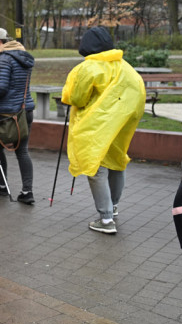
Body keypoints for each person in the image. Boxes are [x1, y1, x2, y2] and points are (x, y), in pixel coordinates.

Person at [60, 26, 144, 234]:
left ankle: (106, 220)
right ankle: (113, 207)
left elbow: (77, 98)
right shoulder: (124, 66)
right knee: (116, 161)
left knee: (95, 167)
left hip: (97, 123)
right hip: (123, 122)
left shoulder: (88, 67)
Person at [0, 26, 36, 204]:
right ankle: (27, 191)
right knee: (23, 151)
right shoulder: (23, 56)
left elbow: (1, 89)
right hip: (25, 110)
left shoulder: (4, 58)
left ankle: (2, 184)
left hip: (6, 112)